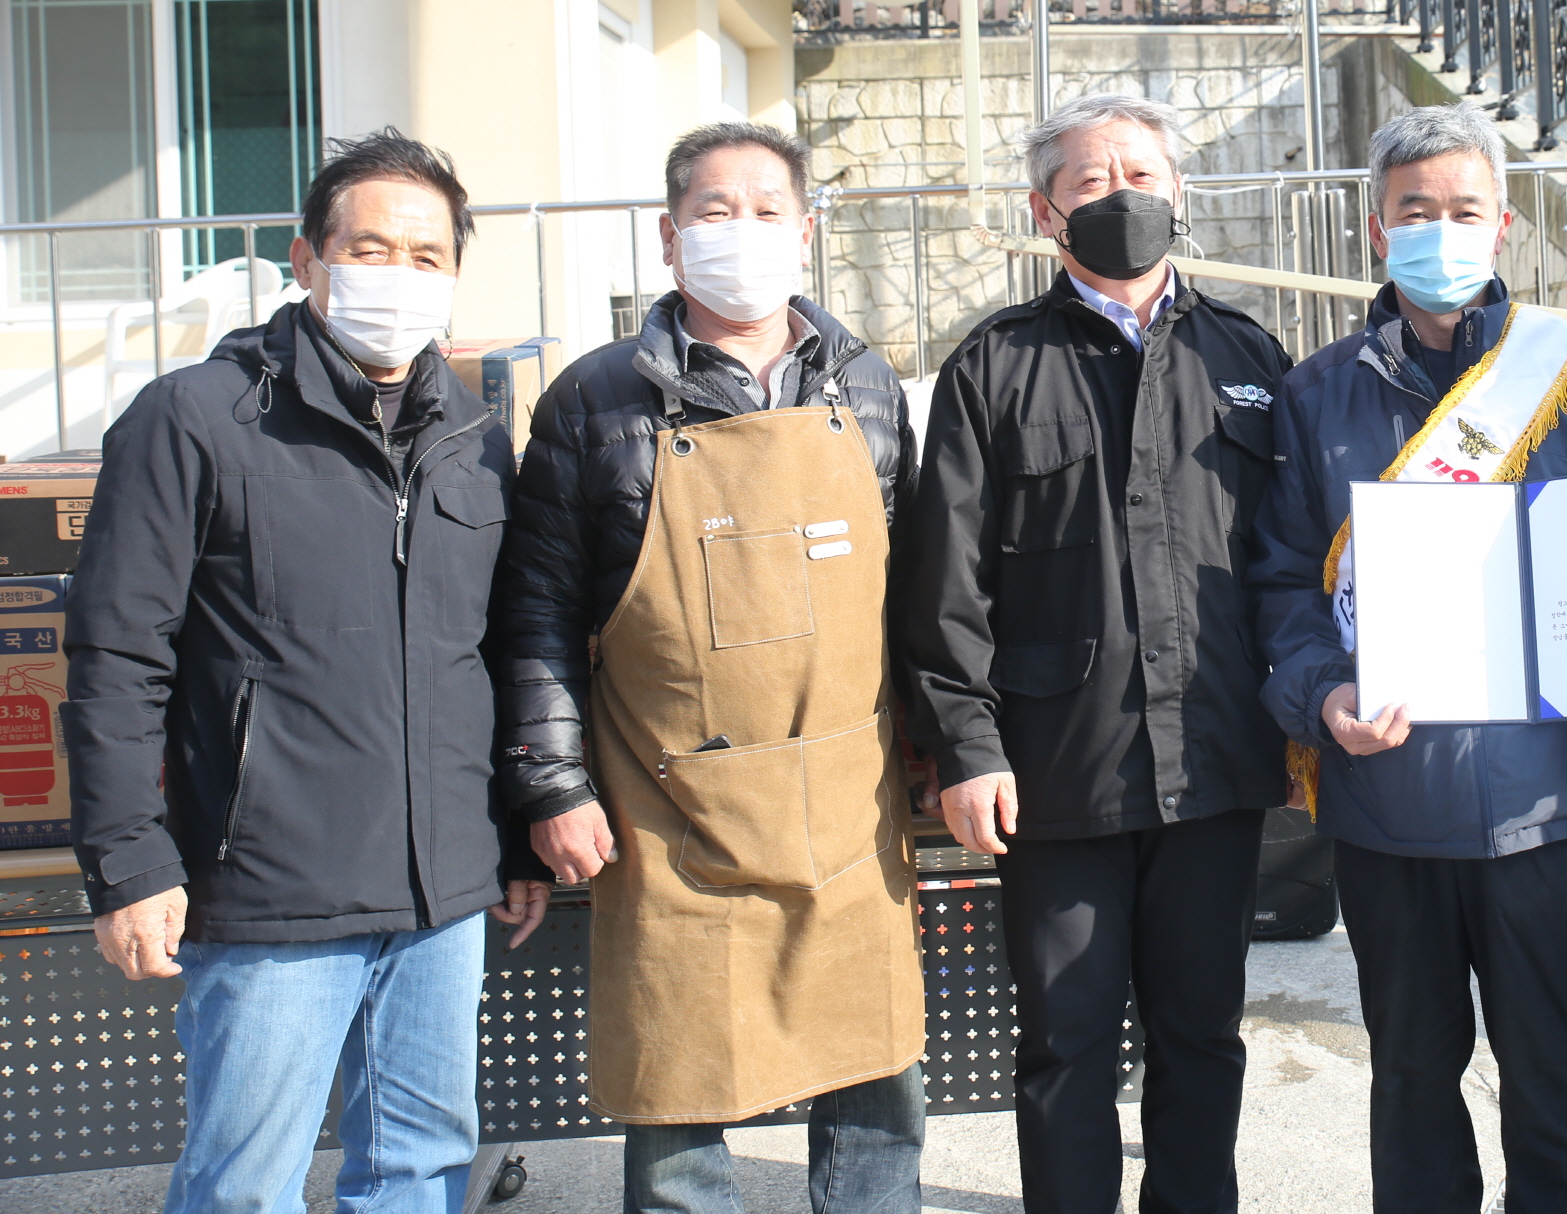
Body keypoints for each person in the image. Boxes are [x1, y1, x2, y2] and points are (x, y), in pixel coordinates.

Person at [63, 131, 539, 1214]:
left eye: (426, 256)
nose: (398, 274)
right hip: (270, 889)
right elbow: (117, 655)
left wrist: (511, 836)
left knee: (420, 1172)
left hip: (441, 892)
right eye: (369, 248)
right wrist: (129, 861)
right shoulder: (196, 418)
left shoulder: (473, 437)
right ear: (308, 260)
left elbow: (496, 652)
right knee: (244, 1186)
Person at [487, 121, 925, 1214]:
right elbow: (536, 615)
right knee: (679, 1092)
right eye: (715, 212)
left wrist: (943, 751)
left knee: (875, 1082)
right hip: (669, 809)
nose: (743, 232)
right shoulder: (595, 402)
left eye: (767, 211)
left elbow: (914, 592)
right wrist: (552, 786)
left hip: (847, 798)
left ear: (806, 233)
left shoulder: (868, 388)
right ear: (669, 236)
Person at [1248, 104, 1567, 1214]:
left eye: (1465, 210)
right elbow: (1280, 584)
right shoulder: (1316, 392)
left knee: (1550, 1074)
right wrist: (1323, 694)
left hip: (1544, 800)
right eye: (1415, 210)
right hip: (1387, 796)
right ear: (1377, 229)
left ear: (1504, 224)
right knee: (1413, 1077)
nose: (1441, 231)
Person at [901, 92, 1291, 1214]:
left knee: (1202, 1034)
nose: (1121, 196)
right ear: (1045, 212)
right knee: (1064, 1045)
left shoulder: (1248, 356)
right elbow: (946, 583)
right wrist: (967, 748)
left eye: (1142, 175)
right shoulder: (994, 365)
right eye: (1089, 180)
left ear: (1179, 193)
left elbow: (1292, 559)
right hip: (1055, 774)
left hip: (1211, 763)